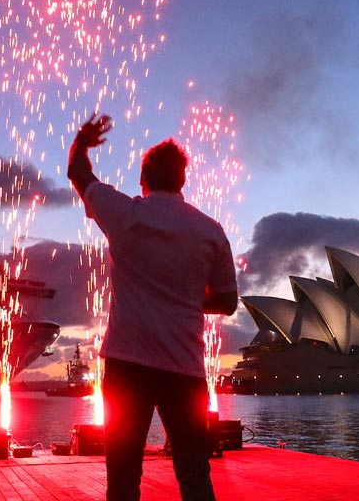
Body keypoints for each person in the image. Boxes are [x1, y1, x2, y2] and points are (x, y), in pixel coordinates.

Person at [67, 113, 238, 501]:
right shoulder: (210, 230)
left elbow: (78, 172)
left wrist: (82, 139)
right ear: (182, 180)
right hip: (184, 369)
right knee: (195, 476)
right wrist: (188, 297)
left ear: (143, 177)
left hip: (127, 366)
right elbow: (228, 301)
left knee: (123, 479)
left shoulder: (126, 215)